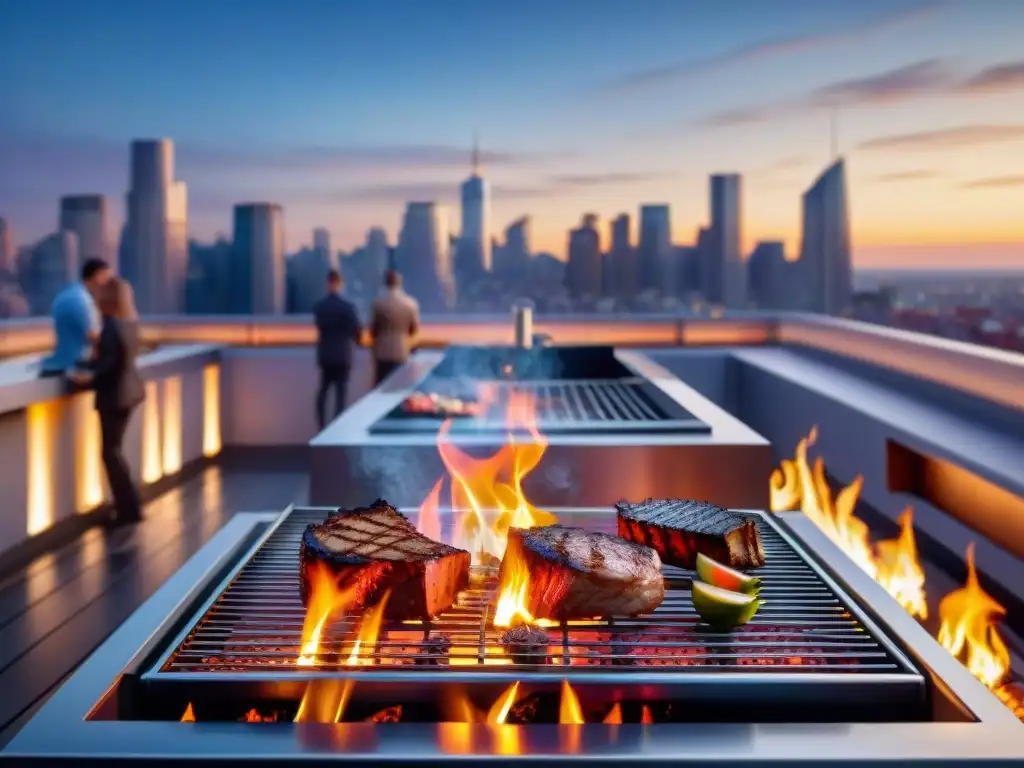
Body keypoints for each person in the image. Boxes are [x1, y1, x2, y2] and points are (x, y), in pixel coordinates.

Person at [69, 277, 145, 526]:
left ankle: (129, 509)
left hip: (115, 397)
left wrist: (85, 380)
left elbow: (109, 368)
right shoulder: (129, 324)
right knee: (114, 451)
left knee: (110, 453)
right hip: (129, 394)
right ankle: (129, 507)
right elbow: (114, 360)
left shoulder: (112, 326)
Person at [39, 258, 112, 378]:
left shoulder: (68, 293)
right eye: (107, 278)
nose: (109, 285)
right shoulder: (83, 301)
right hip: (75, 368)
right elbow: (94, 336)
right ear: (97, 276)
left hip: (60, 364)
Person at [312, 269, 362, 430]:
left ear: (327, 284)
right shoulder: (348, 307)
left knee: (323, 391)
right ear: (340, 284)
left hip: (325, 355)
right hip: (343, 355)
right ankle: (337, 428)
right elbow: (357, 332)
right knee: (341, 394)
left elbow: (319, 327)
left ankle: (321, 426)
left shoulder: (320, 307)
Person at [369, 270, 419, 386]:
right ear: (400, 283)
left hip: (382, 352)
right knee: (398, 389)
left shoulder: (377, 304)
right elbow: (413, 330)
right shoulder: (410, 304)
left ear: (386, 283)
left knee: (380, 389)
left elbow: (374, 330)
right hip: (401, 352)